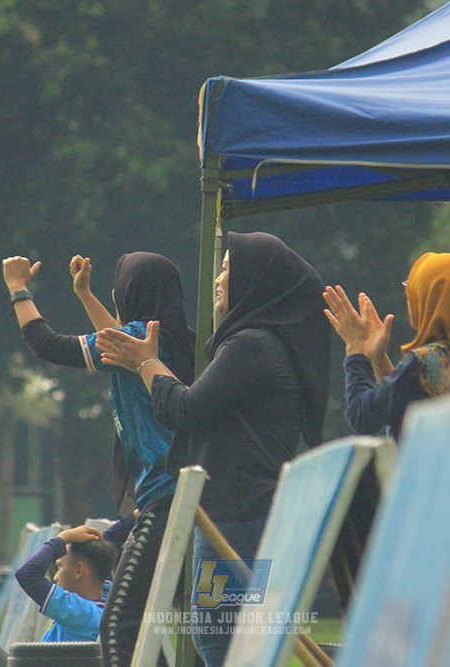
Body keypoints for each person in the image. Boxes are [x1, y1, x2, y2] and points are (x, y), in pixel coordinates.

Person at [96, 231, 331, 666]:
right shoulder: (256, 344)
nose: (218, 279)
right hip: (239, 513)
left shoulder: (250, 346)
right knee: (224, 643)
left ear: (253, 280)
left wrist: (146, 363)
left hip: (239, 517)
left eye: (227, 269)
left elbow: (187, 410)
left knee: (221, 644)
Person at [2, 251, 195, 667]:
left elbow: (48, 345)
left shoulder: (139, 337)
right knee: (174, 630)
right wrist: (86, 295)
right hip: (177, 499)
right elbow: (115, 339)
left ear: (130, 292)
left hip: (164, 500)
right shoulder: (170, 340)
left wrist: (18, 288)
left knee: (119, 627)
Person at [322, 251, 450, 437]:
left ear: (430, 299)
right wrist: (378, 358)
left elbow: (362, 416)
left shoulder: (427, 361)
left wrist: (356, 351)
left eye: (413, 288)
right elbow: (402, 408)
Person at [0, 525, 115, 667]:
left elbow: (28, 574)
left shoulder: (79, 611)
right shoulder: (105, 601)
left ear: (79, 570)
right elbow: (100, 554)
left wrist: (62, 538)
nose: (55, 577)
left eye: (59, 567)